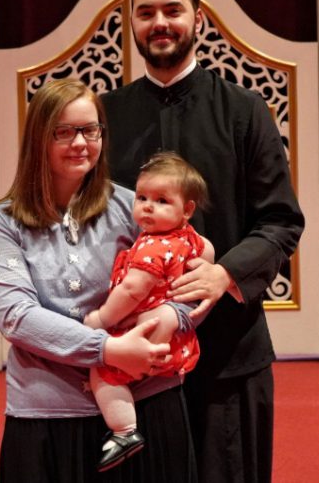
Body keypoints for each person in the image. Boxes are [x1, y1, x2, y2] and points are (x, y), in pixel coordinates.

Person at [101, 0, 305, 483]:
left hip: (228, 353)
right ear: (131, 22)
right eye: (145, 13)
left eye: (173, 10)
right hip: (133, 354)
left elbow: (281, 221)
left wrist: (224, 274)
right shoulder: (105, 115)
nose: (159, 23)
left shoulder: (245, 110)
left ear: (199, 19)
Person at [0, 78, 198, 482]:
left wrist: (172, 316)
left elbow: (190, 279)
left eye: (90, 130)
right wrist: (107, 350)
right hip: (48, 411)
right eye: (64, 131)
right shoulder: (0, 222)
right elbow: (17, 318)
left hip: (146, 401)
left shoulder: (135, 207)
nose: (80, 143)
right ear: (38, 138)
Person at [83, 151, 213, 472]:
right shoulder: (188, 237)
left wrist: (101, 319)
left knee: (101, 372)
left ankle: (124, 431)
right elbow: (207, 250)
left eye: (161, 200)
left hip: (145, 333)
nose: (148, 206)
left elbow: (132, 290)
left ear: (187, 210)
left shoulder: (154, 246)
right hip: (175, 339)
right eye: (142, 197)